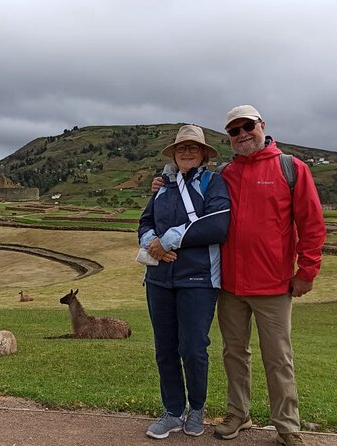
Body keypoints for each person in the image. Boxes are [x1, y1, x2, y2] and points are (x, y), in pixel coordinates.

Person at [151, 106, 325, 446]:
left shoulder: (291, 168)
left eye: (248, 127)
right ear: (229, 138)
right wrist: (163, 182)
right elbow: (192, 191)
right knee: (234, 353)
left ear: (262, 126)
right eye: (234, 130)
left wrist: (307, 271)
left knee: (277, 357)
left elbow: (312, 224)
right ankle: (238, 414)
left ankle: (287, 425)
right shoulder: (225, 174)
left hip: (273, 284)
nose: (242, 134)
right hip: (229, 284)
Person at [138, 124, 231, 439]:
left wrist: (169, 241)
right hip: (159, 278)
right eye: (181, 148)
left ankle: (197, 408)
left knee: (192, 347)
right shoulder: (163, 186)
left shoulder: (213, 183)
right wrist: (153, 245)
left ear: (204, 153)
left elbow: (217, 225)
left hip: (198, 279)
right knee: (165, 348)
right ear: (174, 154)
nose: (187, 152)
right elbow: (146, 220)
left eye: (193, 147)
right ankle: (173, 411)